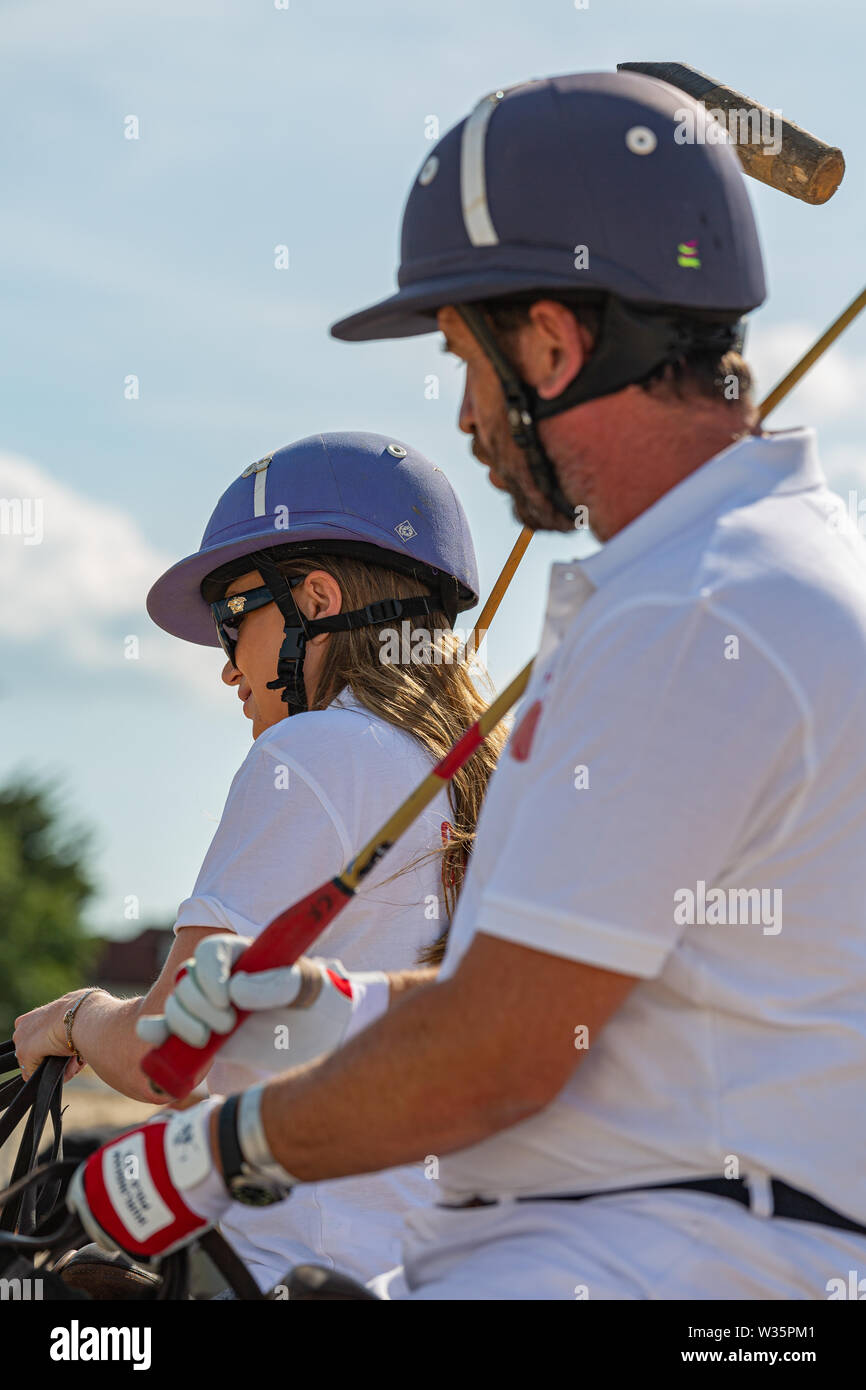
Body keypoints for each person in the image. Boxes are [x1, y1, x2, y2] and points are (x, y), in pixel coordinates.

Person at [68, 71, 866, 1300]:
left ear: (550, 342)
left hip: (649, 1258)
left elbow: (499, 1054)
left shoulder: (697, 607)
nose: (468, 415)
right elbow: (573, 999)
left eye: (465, 360)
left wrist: (206, 1150)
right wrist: (331, 1001)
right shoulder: (746, 576)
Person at [15, 429, 504, 1290]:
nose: (227, 664)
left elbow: (169, 1052)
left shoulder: (315, 753)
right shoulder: (493, 771)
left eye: (233, 617)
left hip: (286, 1266)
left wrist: (79, 1018)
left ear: (316, 598)